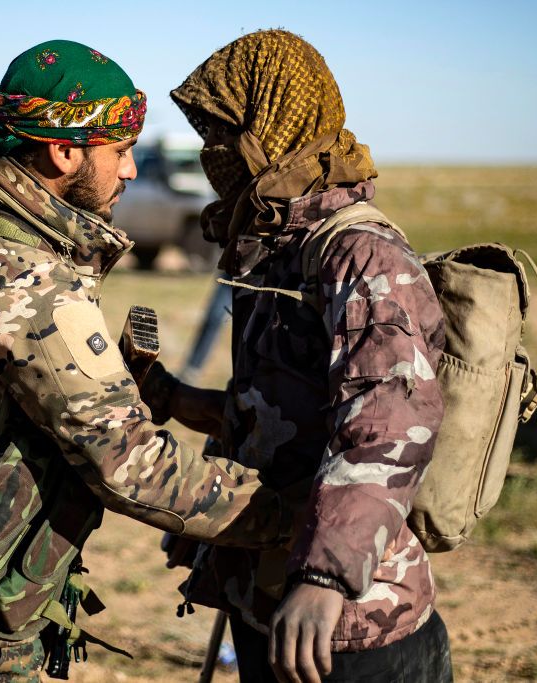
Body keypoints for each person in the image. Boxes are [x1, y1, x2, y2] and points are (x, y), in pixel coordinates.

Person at [0, 39, 293, 681]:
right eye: (121, 150)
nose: (131, 171)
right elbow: (133, 467)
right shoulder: (25, 278)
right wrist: (302, 518)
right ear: (64, 150)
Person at [143, 29, 453, 682]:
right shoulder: (276, 246)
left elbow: (392, 419)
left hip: (352, 623)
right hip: (272, 602)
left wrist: (324, 574)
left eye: (228, 136)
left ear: (275, 126)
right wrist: (174, 399)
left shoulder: (362, 255)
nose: (213, 155)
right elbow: (278, 415)